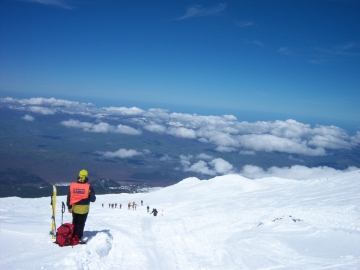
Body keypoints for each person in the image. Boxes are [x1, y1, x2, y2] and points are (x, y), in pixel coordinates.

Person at [67, 169, 96, 244]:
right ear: (86, 177)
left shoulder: (72, 185)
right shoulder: (88, 187)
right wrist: (91, 194)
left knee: (75, 222)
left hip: (74, 207)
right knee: (81, 223)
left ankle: (73, 235)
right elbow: (93, 199)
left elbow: (69, 197)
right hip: (84, 208)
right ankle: (78, 237)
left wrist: (69, 207)